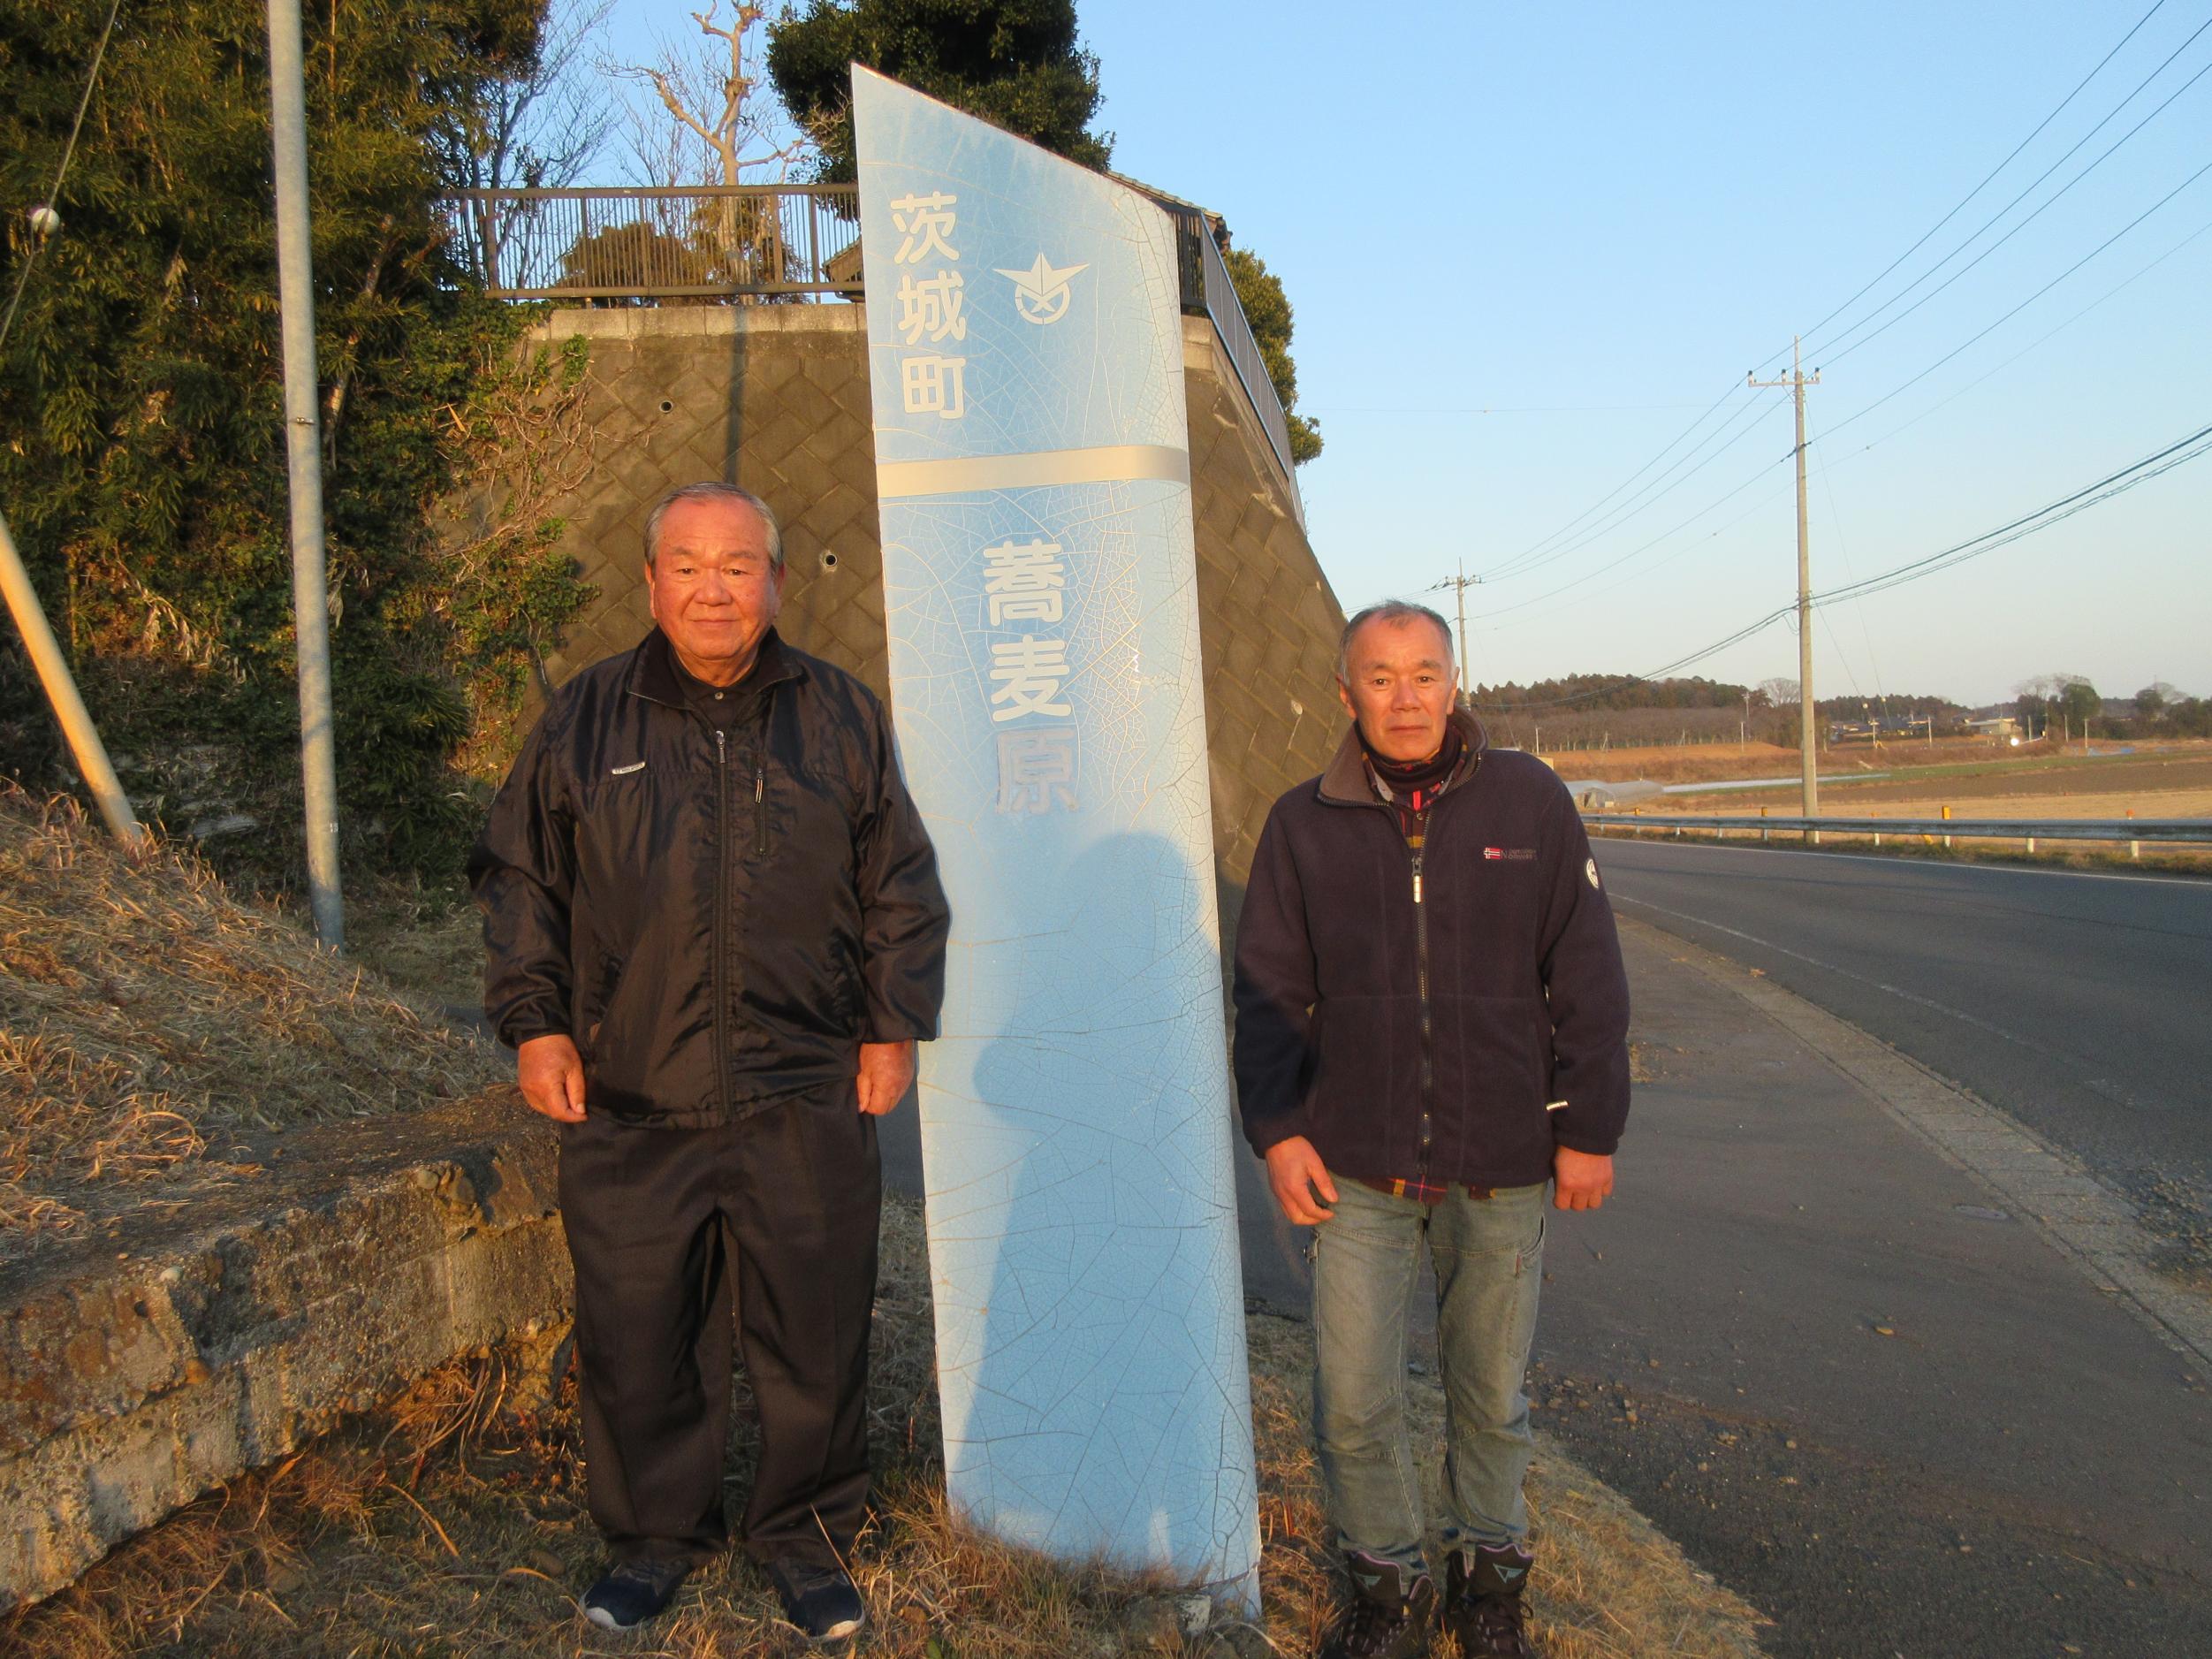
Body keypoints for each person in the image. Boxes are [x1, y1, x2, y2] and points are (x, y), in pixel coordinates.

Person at [469, 481, 950, 1641]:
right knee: (638, 1335)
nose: (712, 588)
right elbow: (519, 878)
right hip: (631, 1094)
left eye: (738, 565)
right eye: (686, 565)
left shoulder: (838, 716)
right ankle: (650, 1539)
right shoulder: (586, 719)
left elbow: (899, 885)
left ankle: (809, 1536)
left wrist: (891, 1024)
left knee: (815, 1330)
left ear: (777, 581)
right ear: (650, 584)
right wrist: (535, 1023)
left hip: (804, 1088)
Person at [1231, 600, 1630, 1659]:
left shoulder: (1529, 800)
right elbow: (1269, 989)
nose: (1403, 697)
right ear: (1343, 691)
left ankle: (1489, 1591)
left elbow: (1587, 974)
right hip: (1354, 1167)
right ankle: (1387, 1594)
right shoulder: (1302, 822)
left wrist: (1588, 1126)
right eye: (1379, 676)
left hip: (1501, 1165)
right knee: (1353, 1399)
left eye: (1423, 673)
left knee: (1489, 1399)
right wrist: (1277, 1128)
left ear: (1454, 683)